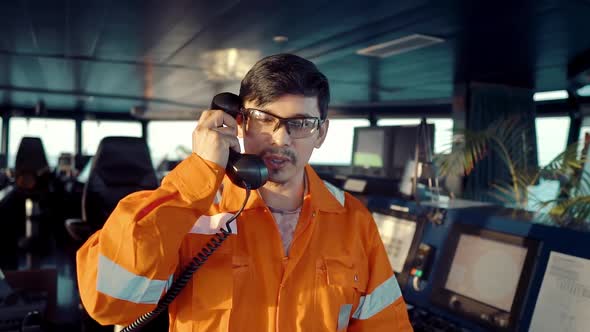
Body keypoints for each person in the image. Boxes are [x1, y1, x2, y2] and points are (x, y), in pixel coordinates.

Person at [76, 53, 413, 332]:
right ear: (237, 122)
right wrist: (196, 178)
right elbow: (110, 302)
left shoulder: (355, 221)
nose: (280, 139)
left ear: (321, 132)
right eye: (264, 119)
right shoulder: (192, 212)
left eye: (301, 123)